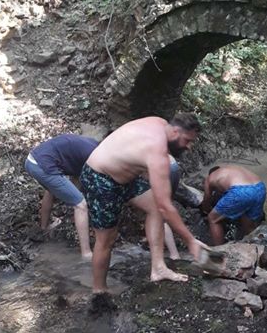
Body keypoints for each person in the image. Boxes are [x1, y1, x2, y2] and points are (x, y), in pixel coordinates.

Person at [80, 113, 204, 295]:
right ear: (175, 132)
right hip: (99, 178)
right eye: (187, 140)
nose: (189, 146)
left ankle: (158, 268)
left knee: (155, 207)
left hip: (125, 177)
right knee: (106, 239)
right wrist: (190, 241)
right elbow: (166, 206)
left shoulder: (161, 123)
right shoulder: (157, 151)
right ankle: (99, 290)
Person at [25, 134, 98, 259]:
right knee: (81, 205)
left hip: (31, 161)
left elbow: (76, 179)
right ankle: (86, 253)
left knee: (52, 190)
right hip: (43, 165)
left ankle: (43, 228)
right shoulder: (96, 155)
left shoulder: (91, 145)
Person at [201, 164, 267, 244]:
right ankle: (256, 247)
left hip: (239, 191)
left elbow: (207, 199)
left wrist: (206, 210)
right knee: (248, 226)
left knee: (212, 219)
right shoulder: (231, 169)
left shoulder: (209, 178)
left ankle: (220, 249)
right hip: (260, 188)